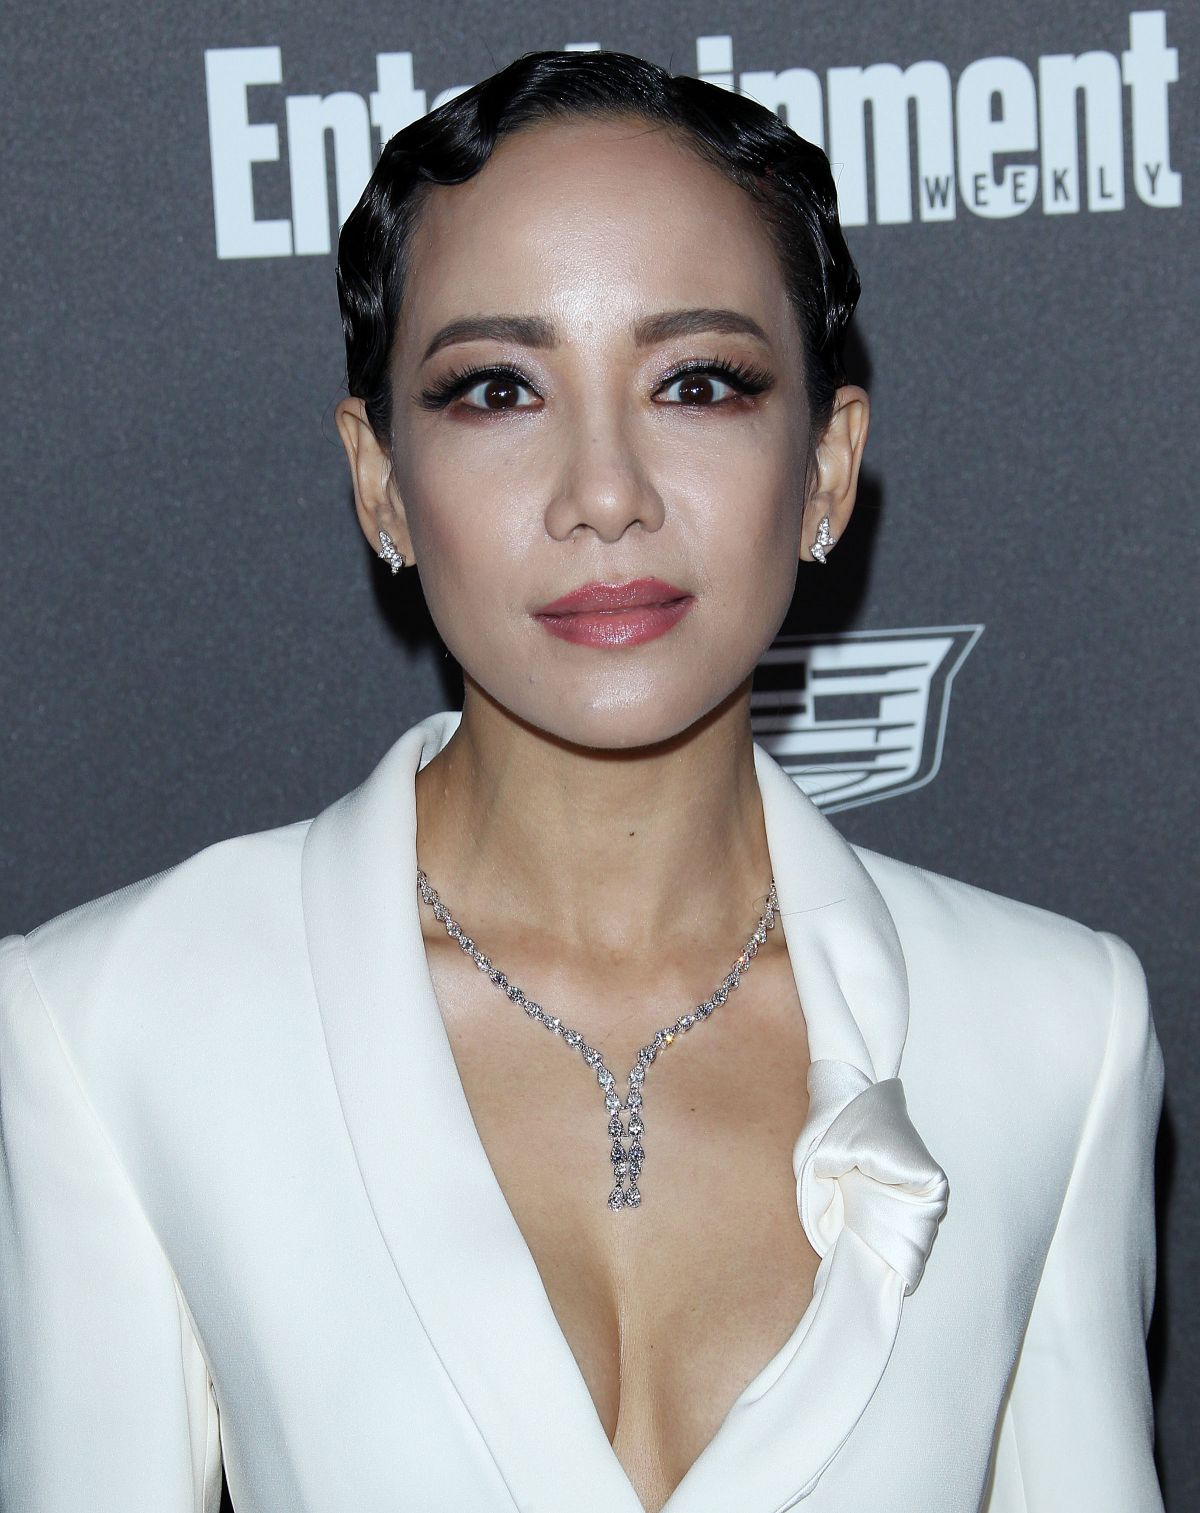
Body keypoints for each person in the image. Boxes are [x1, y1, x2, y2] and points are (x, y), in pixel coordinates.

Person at [0, 47, 1165, 1513]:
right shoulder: (115, 1025)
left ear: (826, 466)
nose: (605, 494)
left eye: (698, 383)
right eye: (499, 389)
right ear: (379, 481)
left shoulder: (1057, 1034)